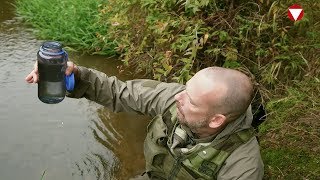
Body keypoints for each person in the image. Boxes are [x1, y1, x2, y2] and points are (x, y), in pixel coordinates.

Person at [26, 62, 264, 179]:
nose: (177, 98)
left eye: (190, 100)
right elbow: (118, 92)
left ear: (216, 120)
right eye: (185, 89)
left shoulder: (243, 166)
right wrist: (75, 76)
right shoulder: (176, 98)